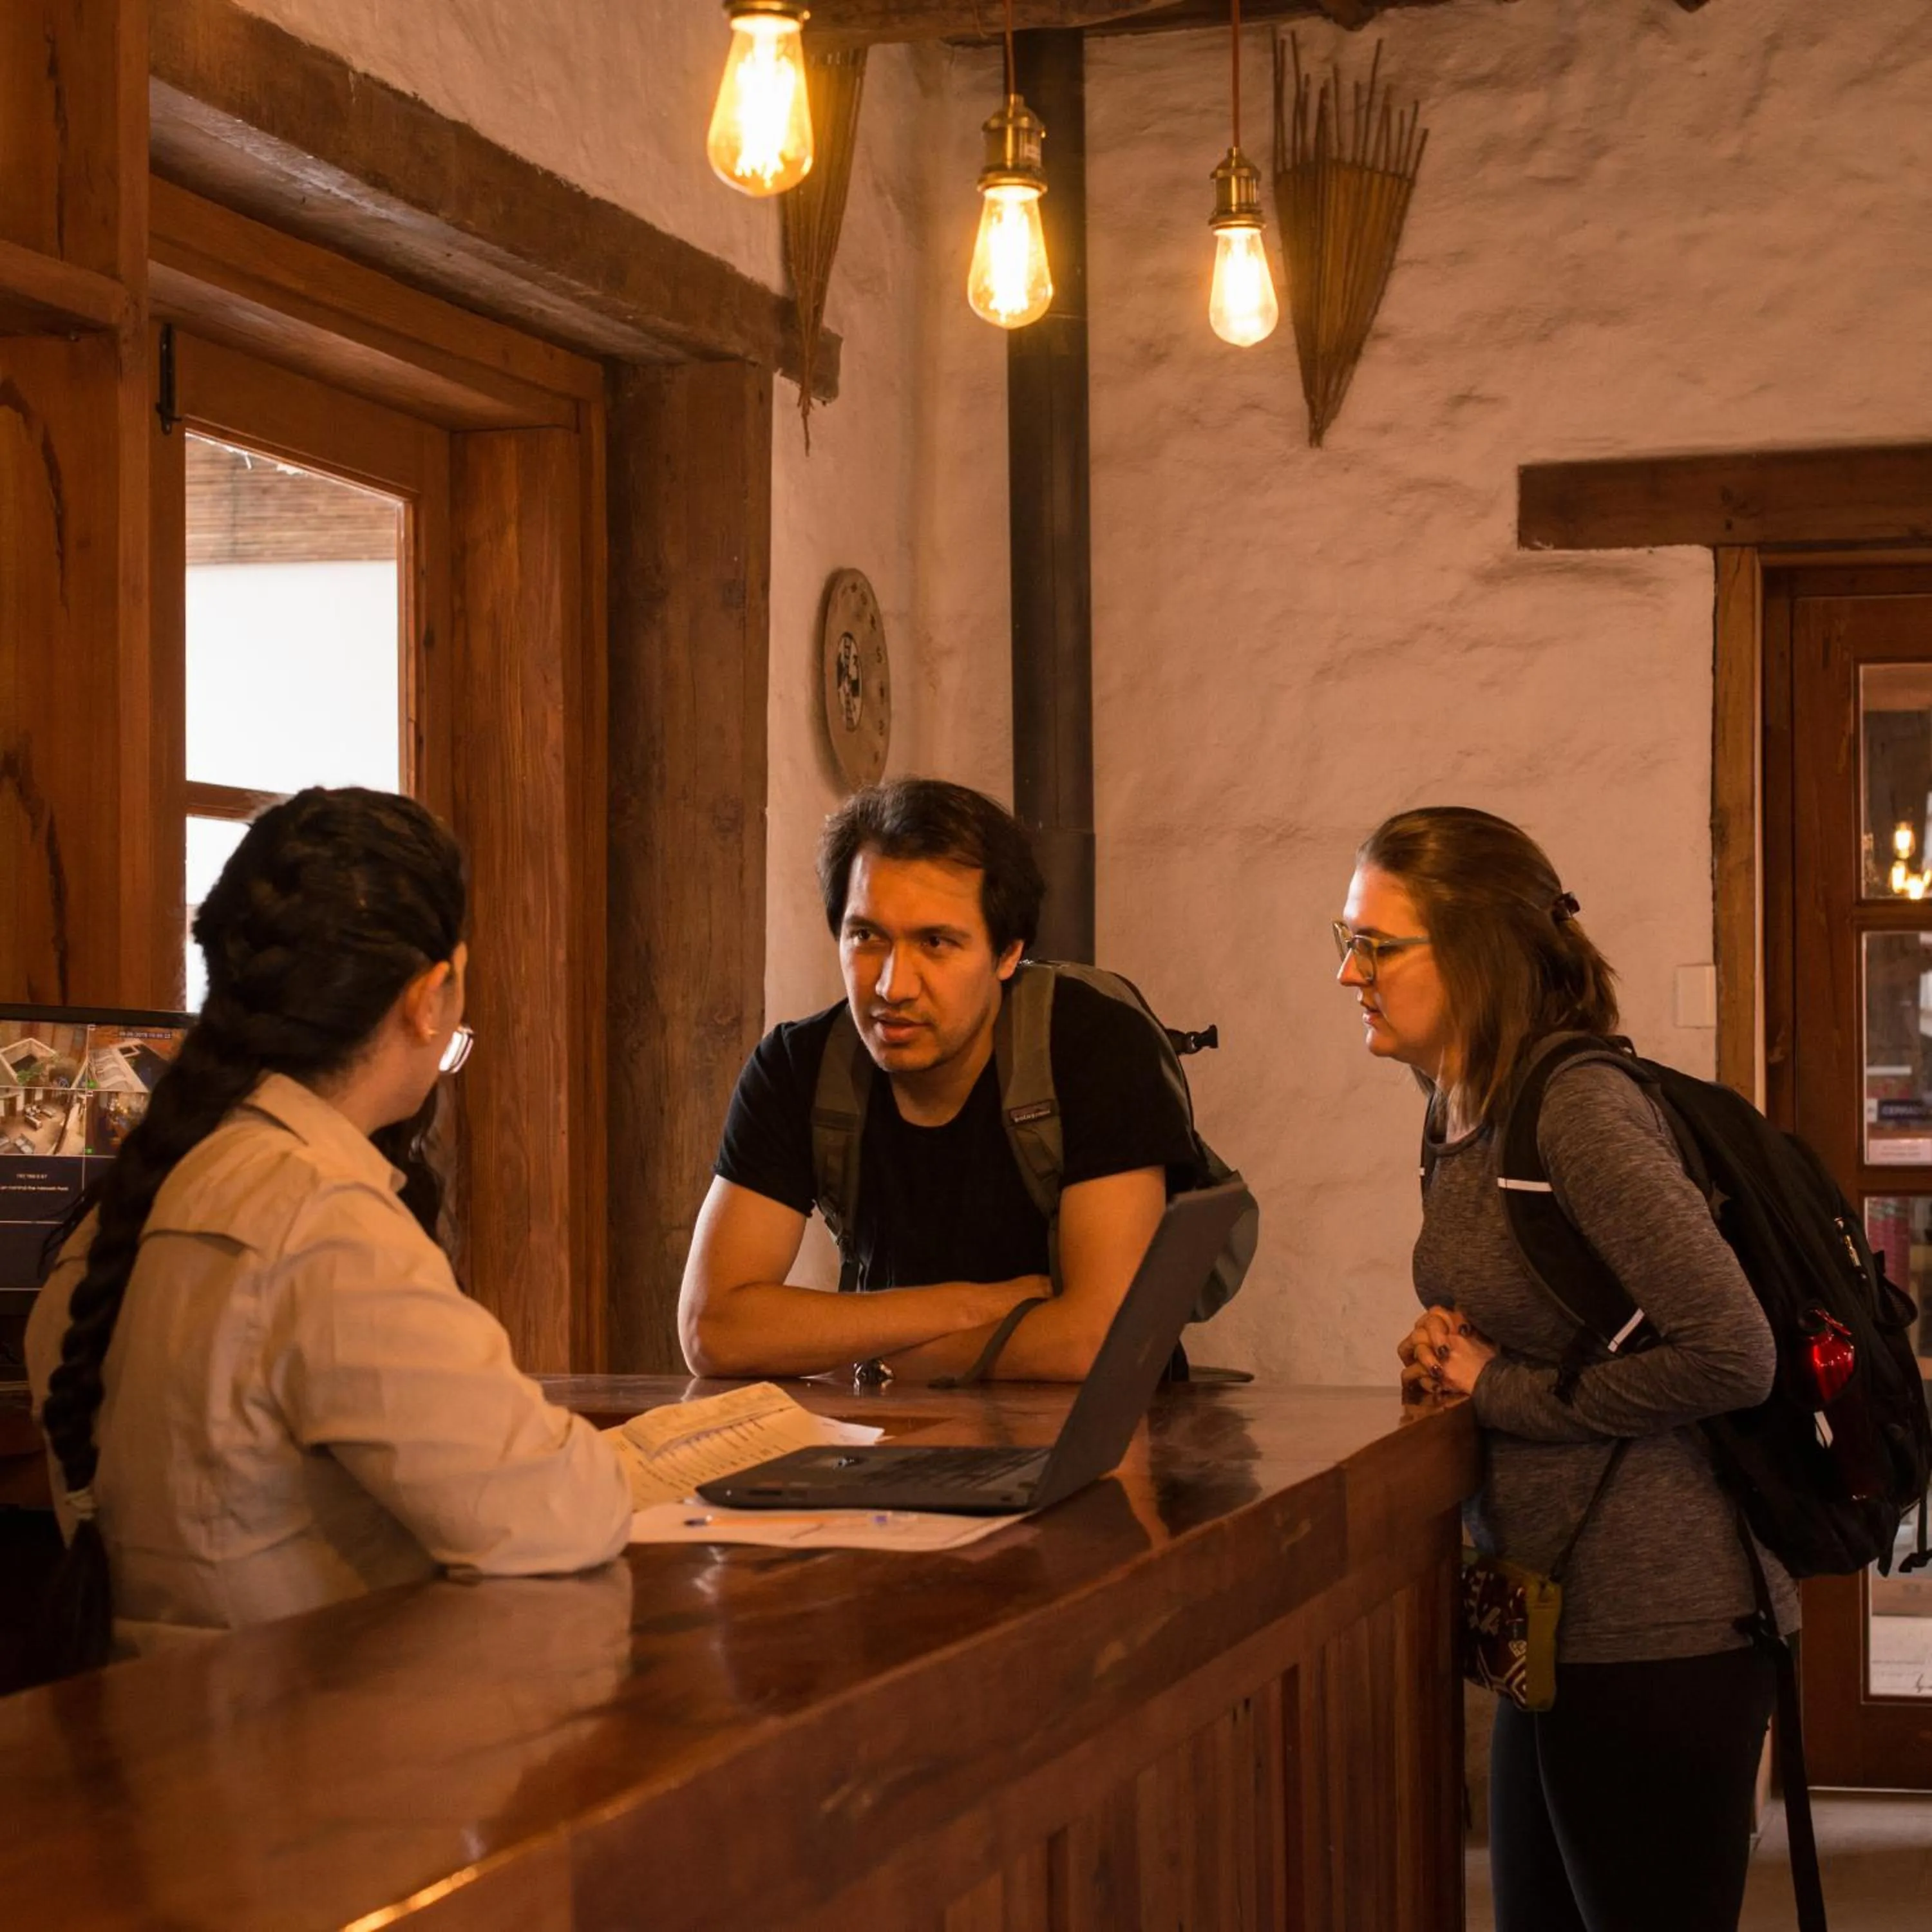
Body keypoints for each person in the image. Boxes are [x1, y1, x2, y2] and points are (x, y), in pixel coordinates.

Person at [26, 788, 631, 1678]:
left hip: (170, 1750)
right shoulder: (318, 1218)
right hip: (312, 1762)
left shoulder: (137, 1206)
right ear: (430, 1000)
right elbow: (554, 1512)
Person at [1335, 806, 1795, 1932]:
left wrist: (1499, 1388)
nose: (1351, 973)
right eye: (1345, 940)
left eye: (1378, 946)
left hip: (1662, 1626)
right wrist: (1451, 1348)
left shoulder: (1578, 1111)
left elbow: (1738, 1353)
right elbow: (1544, 1310)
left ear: (1479, 952)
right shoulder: (1458, 1105)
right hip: (1551, 1619)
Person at [679, 778, 1200, 1383]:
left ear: (1007, 955)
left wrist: (872, 1355)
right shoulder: (798, 1068)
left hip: (1094, 1454)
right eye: (866, 936)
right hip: (892, 1449)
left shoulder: (1095, 1045)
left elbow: (1099, 1342)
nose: (893, 987)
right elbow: (712, 1329)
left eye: (936, 942)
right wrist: (976, 1304)